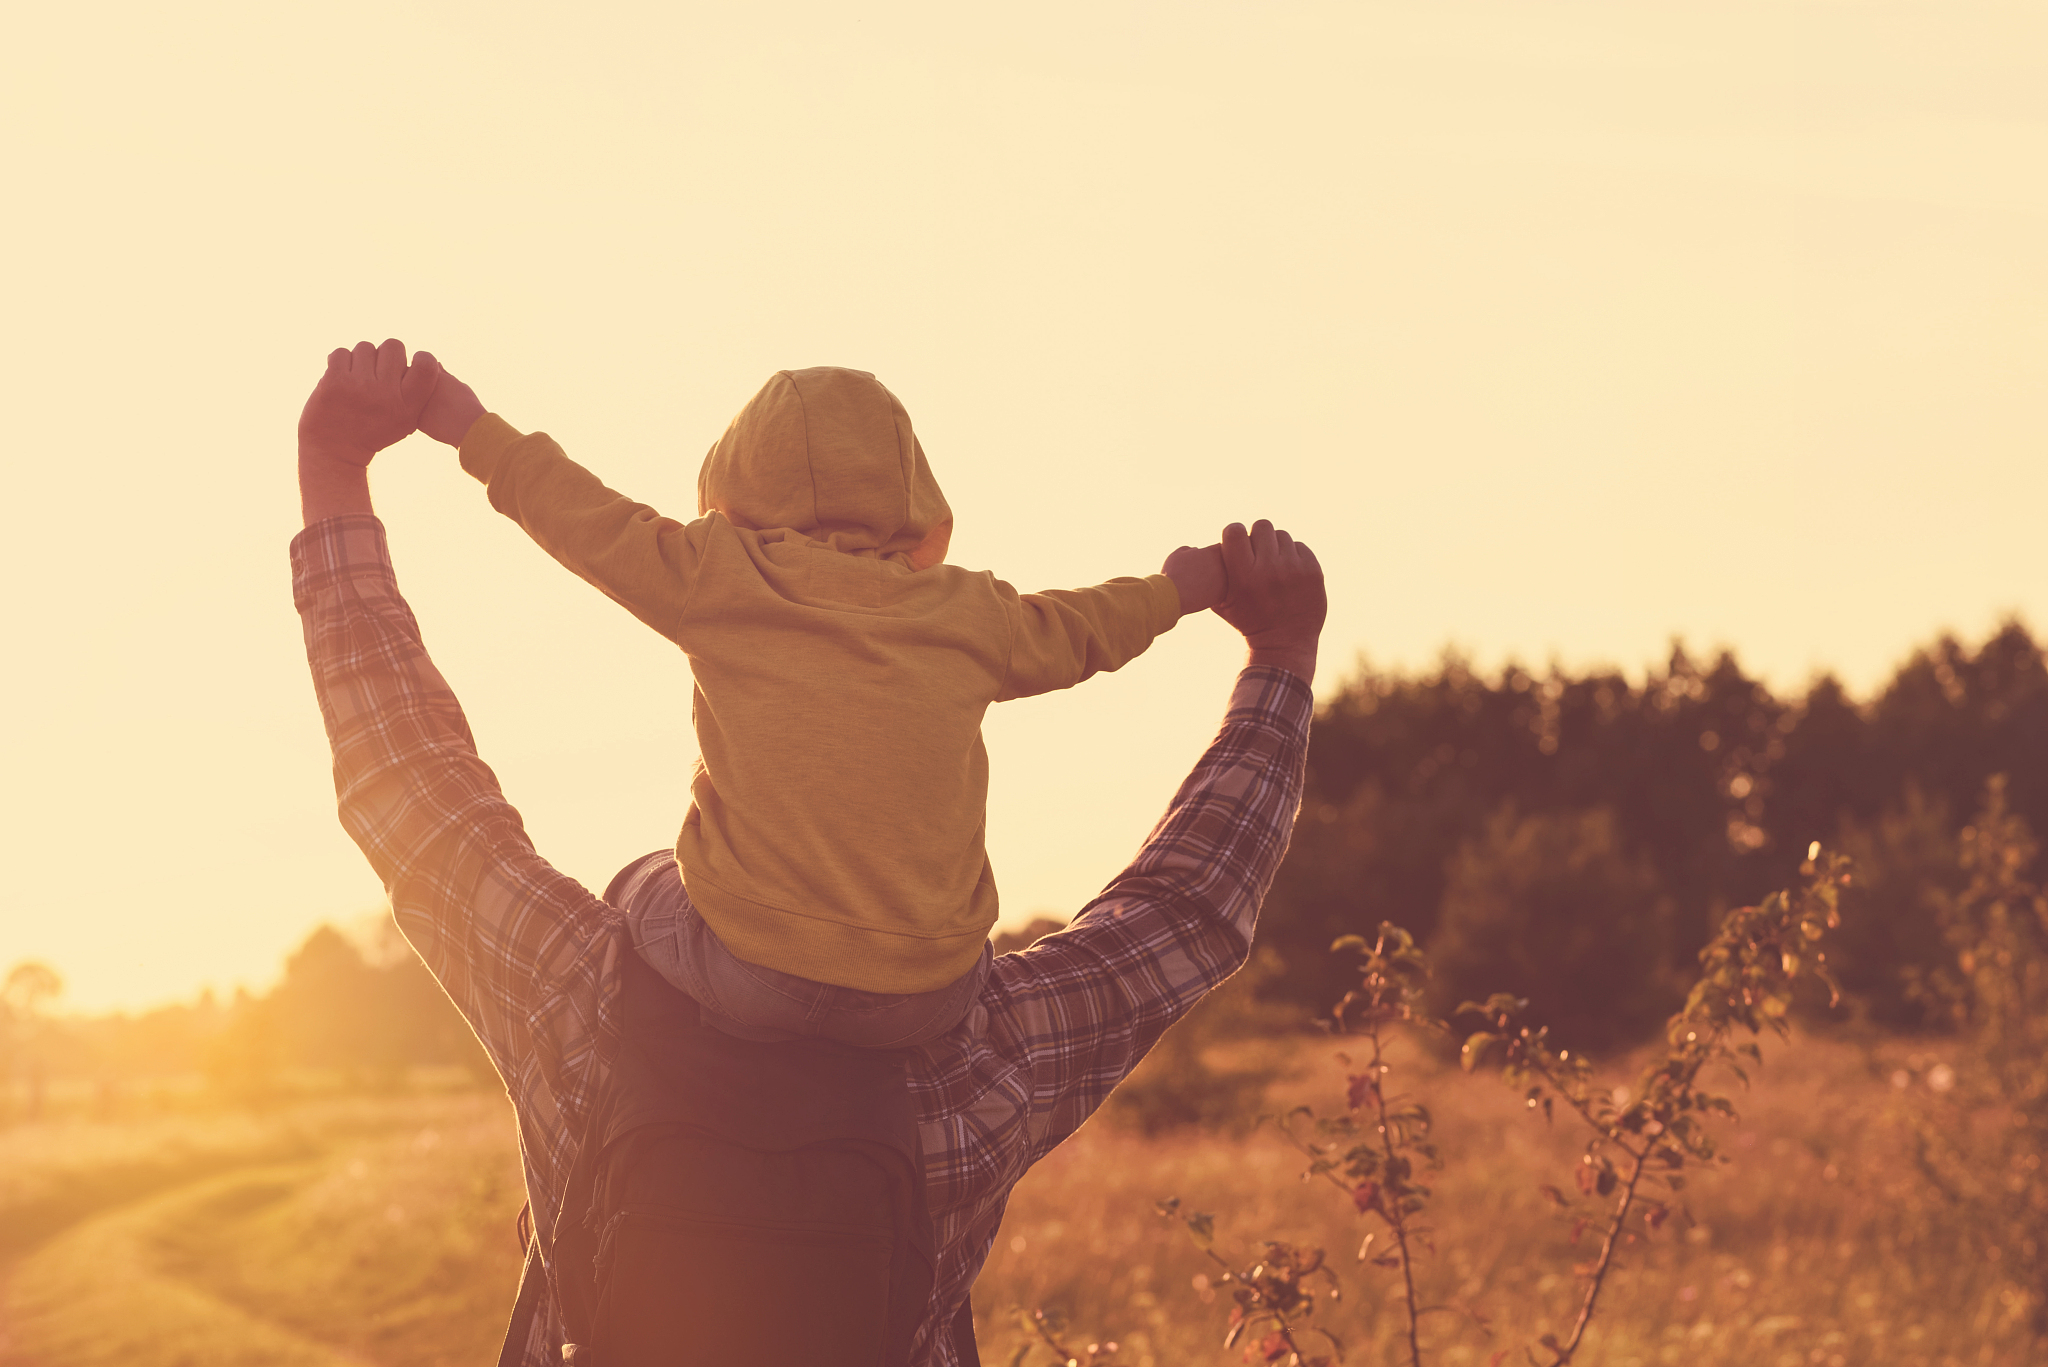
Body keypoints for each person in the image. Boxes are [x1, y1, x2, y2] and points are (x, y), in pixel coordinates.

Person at [295, 339, 1326, 1365]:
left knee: (649, 878)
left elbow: (412, 783)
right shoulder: (980, 1066)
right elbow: (1185, 910)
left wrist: (338, 472)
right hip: (927, 1023)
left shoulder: (585, 1002)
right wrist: (1274, 654)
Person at [404, 357, 1229, 1048]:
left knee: (638, 881)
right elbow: (1087, 627)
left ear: (735, 479)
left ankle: (650, 1083)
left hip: (753, 970)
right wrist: (1176, 588)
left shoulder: (716, 573)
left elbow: (581, 515)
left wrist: (467, 425)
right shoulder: (973, 614)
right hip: (930, 989)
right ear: (911, 490)